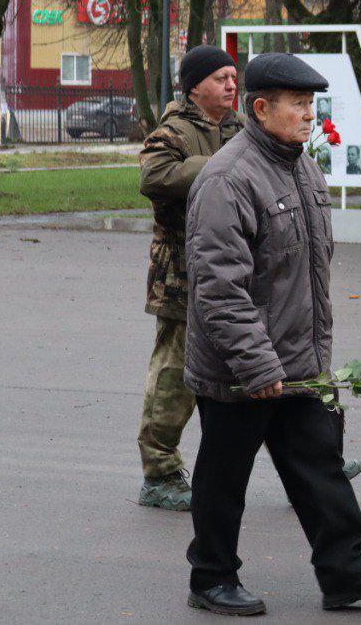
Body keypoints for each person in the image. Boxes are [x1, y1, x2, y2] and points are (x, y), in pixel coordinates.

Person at [183, 52, 361, 615]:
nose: (310, 114)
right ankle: (211, 578)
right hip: (241, 368)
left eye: (313, 104)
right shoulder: (228, 179)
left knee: (320, 465)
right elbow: (219, 288)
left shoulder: (302, 167)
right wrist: (259, 366)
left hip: (300, 361)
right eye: (299, 105)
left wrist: (310, 358)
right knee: (223, 477)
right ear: (261, 109)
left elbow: (306, 273)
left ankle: (345, 571)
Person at [136, 44, 241, 511]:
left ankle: (309, 455)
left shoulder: (241, 129)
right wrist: (221, 168)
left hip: (236, 268)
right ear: (195, 85)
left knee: (258, 362)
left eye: (234, 78)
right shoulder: (173, 131)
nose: (232, 85)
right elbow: (154, 177)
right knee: (175, 374)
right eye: (221, 78)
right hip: (181, 272)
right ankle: (159, 473)